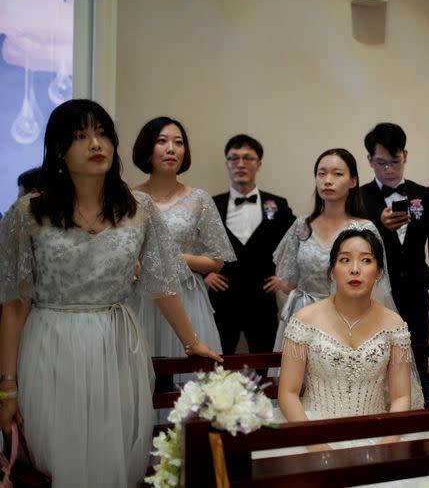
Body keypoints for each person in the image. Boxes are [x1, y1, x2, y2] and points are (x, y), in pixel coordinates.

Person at [0, 99, 222, 487]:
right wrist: (7, 386)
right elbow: (15, 305)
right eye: (81, 136)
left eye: (102, 133)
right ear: (57, 149)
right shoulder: (26, 214)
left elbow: (162, 284)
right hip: (51, 340)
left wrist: (192, 342)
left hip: (118, 341)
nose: (95, 144)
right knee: (60, 455)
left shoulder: (140, 208)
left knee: (112, 451)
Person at [268, 229, 429, 486]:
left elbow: (401, 397)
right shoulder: (304, 320)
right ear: (332, 270)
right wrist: (316, 444)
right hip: (313, 428)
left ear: (379, 272)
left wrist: (386, 443)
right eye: (345, 260)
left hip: (379, 430)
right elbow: (288, 393)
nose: (355, 269)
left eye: (366, 260)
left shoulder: (394, 324)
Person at [128, 116, 234, 360]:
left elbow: (217, 260)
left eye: (178, 142)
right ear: (146, 148)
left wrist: (171, 258)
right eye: (162, 141)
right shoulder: (128, 199)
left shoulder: (199, 199)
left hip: (186, 295)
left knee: (188, 381)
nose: (171, 149)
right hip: (139, 296)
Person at [271, 148, 395, 353]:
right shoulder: (302, 225)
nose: (328, 180)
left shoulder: (364, 228)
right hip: (304, 316)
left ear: (353, 181)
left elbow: (378, 286)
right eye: (322, 173)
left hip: (347, 317)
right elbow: (287, 279)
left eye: (337, 174)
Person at [204, 134, 295, 354]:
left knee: (266, 365)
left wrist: (285, 276)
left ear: (259, 164)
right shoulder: (210, 205)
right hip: (221, 300)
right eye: (234, 158)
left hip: (262, 300)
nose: (241, 164)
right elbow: (191, 244)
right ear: (227, 164)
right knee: (215, 365)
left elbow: (298, 241)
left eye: (248, 158)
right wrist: (203, 276)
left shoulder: (277, 205)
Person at [359, 123, 429, 365]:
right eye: (381, 163)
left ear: (405, 155)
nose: (389, 169)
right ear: (370, 159)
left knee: (418, 361)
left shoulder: (425, 194)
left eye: (395, 161)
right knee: (376, 363)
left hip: (416, 293)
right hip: (374, 295)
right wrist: (379, 224)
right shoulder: (358, 198)